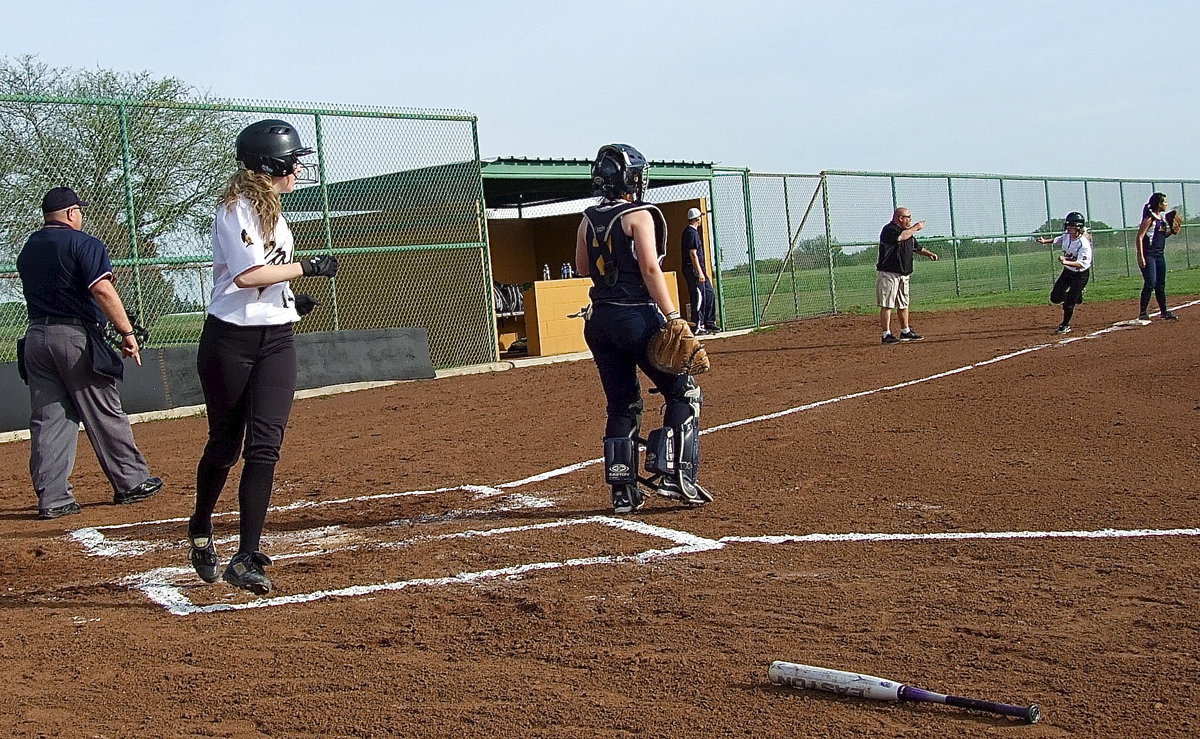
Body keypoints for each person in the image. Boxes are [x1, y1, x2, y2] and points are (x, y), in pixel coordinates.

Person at [187, 119, 338, 595]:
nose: (298, 168)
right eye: (292, 160)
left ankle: (246, 556)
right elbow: (248, 276)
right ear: (270, 164)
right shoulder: (235, 209)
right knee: (225, 446)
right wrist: (306, 267)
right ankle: (200, 525)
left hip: (276, 340)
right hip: (229, 342)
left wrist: (289, 299)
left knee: (266, 445)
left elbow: (269, 277)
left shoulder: (274, 212)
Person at [574, 144, 711, 514]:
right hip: (635, 316)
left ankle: (623, 492)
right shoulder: (639, 215)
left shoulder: (587, 218)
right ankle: (675, 474)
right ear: (629, 179)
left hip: (599, 321)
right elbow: (650, 269)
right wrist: (673, 316)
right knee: (683, 393)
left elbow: (583, 266)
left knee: (622, 404)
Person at [15, 187, 163, 520]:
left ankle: (53, 499)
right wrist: (127, 332)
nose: (81, 215)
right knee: (103, 409)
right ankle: (132, 481)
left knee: (50, 419)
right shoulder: (84, 243)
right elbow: (102, 289)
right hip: (73, 337)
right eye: (79, 210)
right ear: (71, 213)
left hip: (36, 337)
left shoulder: (29, 248)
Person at [877, 207, 938, 344]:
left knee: (903, 304)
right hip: (890, 274)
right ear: (900, 218)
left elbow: (917, 247)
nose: (910, 220)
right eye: (908, 217)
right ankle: (886, 334)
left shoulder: (908, 233)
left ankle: (905, 331)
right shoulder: (889, 230)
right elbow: (900, 237)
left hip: (904, 274)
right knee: (887, 304)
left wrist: (929, 254)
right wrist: (916, 227)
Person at [1038, 212, 1093, 334]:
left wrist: (1065, 261)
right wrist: (1045, 241)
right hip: (1068, 272)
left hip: (1080, 274)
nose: (1069, 228)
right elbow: (1058, 239)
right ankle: (1077, 295)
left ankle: (1065, 325)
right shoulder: (1066, 236)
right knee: (1055, 297)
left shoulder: (1083, 244)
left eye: (1072, 226)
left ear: (1079, 227)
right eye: (1068, 225)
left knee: (1068, 304)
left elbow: (1081, 264)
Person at [1134, 192, 1178, 321]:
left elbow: (1161, 236)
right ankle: (1143, 312)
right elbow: (1140, 237)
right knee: (1150, 283)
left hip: (1159, 255)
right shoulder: (1150, 218)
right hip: (1149, 255)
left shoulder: (1161, 219)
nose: (1166, 204)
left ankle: (1164, 312)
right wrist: (1140, 255)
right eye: (1165, 202)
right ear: (1159, 204)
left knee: (1160, 285)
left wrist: (1172, 232)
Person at [681, 207, 718, 333]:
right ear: (697, 219)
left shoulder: (693, 232)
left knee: (709, 293)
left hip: (699, 269)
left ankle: (709, 322)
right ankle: (698, 325)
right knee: (699, 296)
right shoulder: (691, 233)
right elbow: (693, 254)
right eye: (700, 217)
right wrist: (699, 272)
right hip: (694, 270)